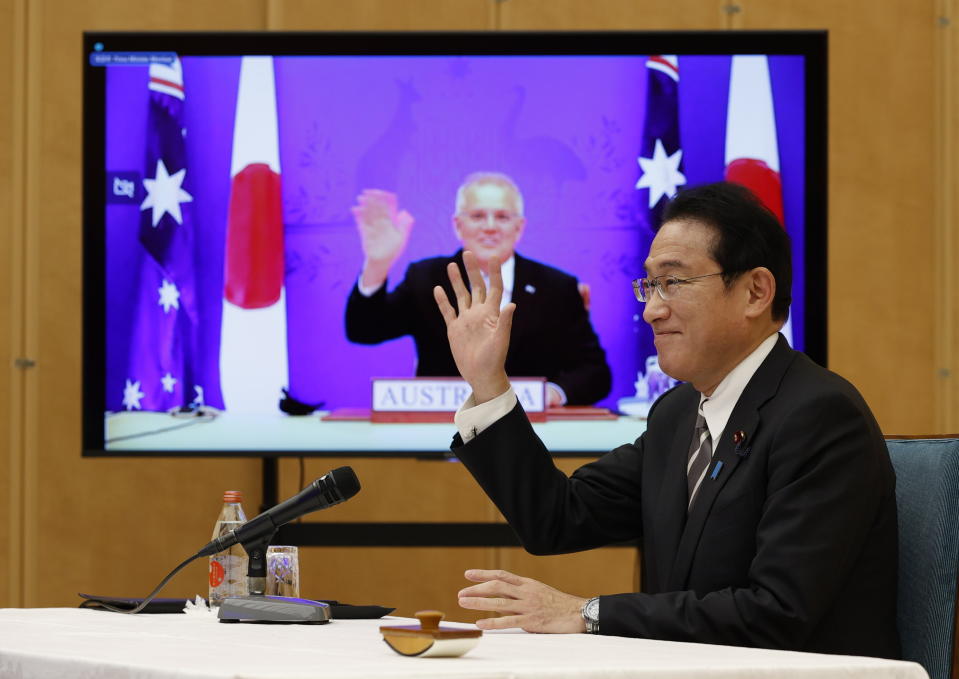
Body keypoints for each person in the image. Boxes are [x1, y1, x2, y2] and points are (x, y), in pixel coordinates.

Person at [433, 182, 900, 658]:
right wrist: (489, 383)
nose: (652, 309)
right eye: (649, 285)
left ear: (756, 291)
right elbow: (557, 518)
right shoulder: (678, 414)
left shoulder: (819, 416)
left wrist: (588, 613)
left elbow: (776, 613)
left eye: (673, 282)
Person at [345, 172, 611, 406]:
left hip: (528, 437)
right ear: (458, 225)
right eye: (477, 216)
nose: (490, 226)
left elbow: (595, 373)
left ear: (519, 228)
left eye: (503, 217)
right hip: (442, 435)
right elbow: (364, 330)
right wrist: (377, 264)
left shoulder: (556, 287)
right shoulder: (426, 278)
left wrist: (553, 394)